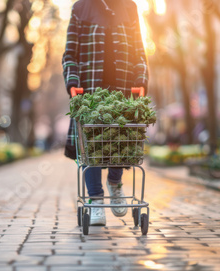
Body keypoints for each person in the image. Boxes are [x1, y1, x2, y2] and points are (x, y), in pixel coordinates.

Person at [62, 0, 149, 226]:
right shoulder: (81, 8)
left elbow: (140, 52)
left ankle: (114, 182)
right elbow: (70, 54)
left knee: (119, 142)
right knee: (91, 147)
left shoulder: (129, 7)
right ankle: (96, 199)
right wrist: (72, 81)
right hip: (89, 93)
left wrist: (140, 79)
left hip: (122, 92)